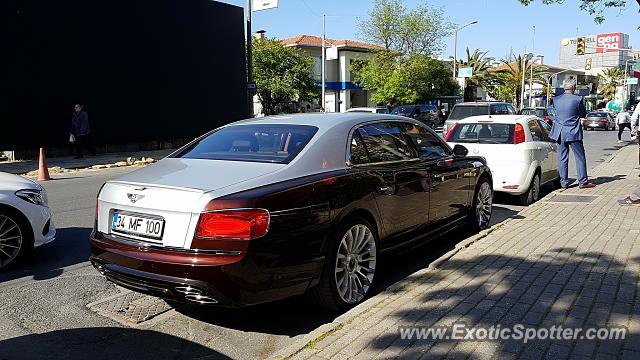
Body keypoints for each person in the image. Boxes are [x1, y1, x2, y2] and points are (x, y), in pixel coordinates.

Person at [548, 79, 596, 189]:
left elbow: (552, 113)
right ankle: (583, 182)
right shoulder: (578, 99)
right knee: (580, 157)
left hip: (560, 132)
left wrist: (558, 119)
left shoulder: (556, 99)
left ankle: (564, 182)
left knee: (562, 158)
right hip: (573, 132)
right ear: (574, 88)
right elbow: (583, 114)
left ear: (564, 88)